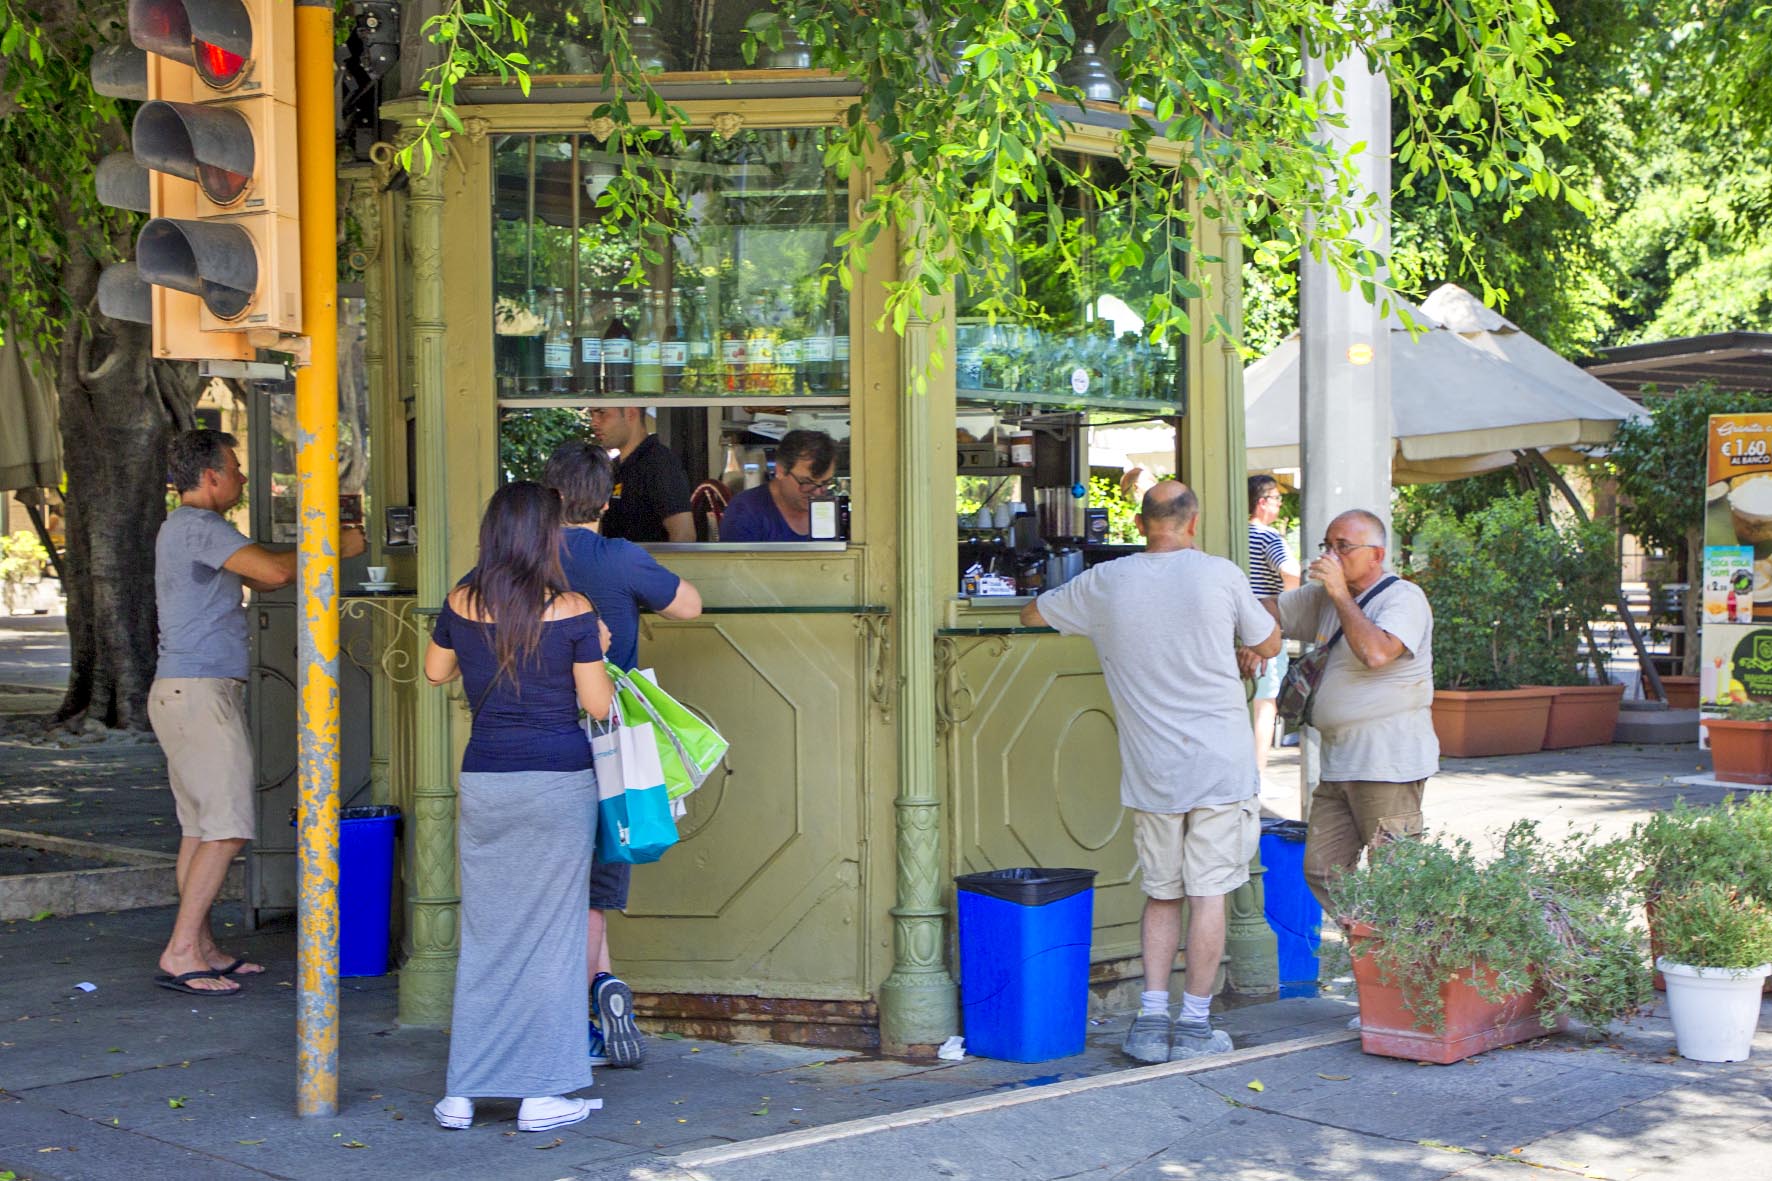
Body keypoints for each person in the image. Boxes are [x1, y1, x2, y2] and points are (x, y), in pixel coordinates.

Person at [1021, 482, 1281, 1064]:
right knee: (1210, 893)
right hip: (1219, 764)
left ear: (1141, 525)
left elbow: (1032, 611)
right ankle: (1193, 1028)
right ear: (1193, 523)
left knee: (1162, 894)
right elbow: (1269, 639)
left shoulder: (1106, 582)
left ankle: (1149, 1023)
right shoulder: (1220, 574)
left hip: (1153, 768)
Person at [425, 482, 615, 1134]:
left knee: (487, 934)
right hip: (557, 783)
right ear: (545, 537)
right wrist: (600, 648)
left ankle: (464, 1091)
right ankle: (541, 1092)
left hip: (485, 781)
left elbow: (435, 671)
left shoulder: (460, 600)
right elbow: (597, 705)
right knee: (553, 938)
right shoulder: (572, 610)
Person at [149, 429, 365, 996]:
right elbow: (272, 574)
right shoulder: (197, 526)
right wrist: (332, 546)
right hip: (197, 693)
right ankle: (180, 951)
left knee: (202, 829)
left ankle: (199, 946)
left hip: (187, 691)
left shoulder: (193, 529)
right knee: (226, 829)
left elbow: (259, 569)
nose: (244, 478)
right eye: (236, 468)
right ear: (212, 475)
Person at [542, 440, 704, 1070]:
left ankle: (595, 1002)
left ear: (550, 496)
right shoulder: (618, 557)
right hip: (610, 743)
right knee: (594, 891)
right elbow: (690, 603)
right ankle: (595, 1002)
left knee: (563, 888)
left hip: (538, 732)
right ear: (607, 499)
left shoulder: (529, 559)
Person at [1254, 509, 1437, 912]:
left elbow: (1376, 652)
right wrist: (1251, 637)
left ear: (1376, 554)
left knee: (1397, 880)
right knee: (1323, 869)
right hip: (1339, 762)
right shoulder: (1322, 596)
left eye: (1344, 547)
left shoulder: (1403, 597)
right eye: (1327, 546)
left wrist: (1339, 593)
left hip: (1387, 762)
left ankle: (1398, 963)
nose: (1332, 556)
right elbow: (1269, 612)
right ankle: (1371, 952)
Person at [1246, 475, 1301, 781]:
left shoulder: (1234, 534)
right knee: (1264, 706)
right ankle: (1256, 778)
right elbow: (1291, 570)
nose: (1280, 504)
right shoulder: (1268, 538)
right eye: (1278, 499)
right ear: (1263, 502)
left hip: (1234, 631)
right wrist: (1284, 607)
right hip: (1263, 632)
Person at [589, 407, 694, 543]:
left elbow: (684, 535)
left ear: (631, 413)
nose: (594, 423)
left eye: (602, 413)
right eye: (591, 414)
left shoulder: (659, 462)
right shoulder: (614, 467)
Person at [719, 430, 837, 542]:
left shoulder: (833, 508)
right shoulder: (745, 511)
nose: (817, 493)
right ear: (780, 470)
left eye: (825, 483)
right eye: (806, 482)